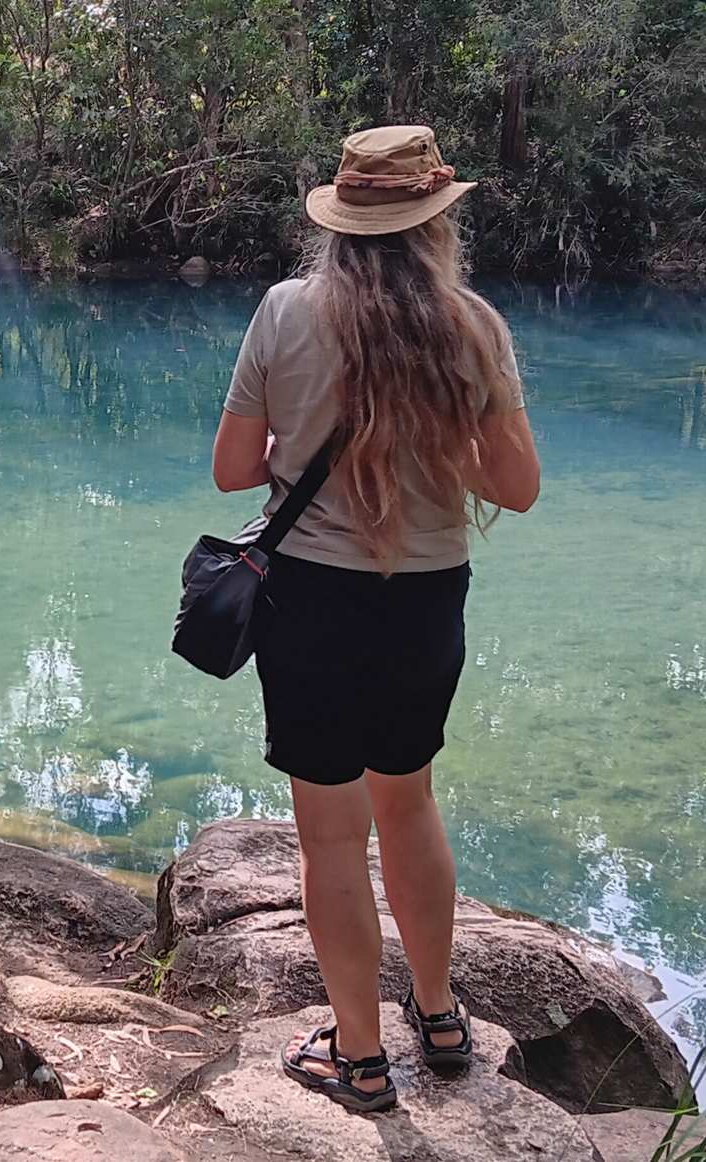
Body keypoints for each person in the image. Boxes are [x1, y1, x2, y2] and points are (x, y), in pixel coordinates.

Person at [209, 125, 541, 1112]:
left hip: (308, 596)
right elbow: (516, 488)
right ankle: (438, 1017)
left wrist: (305, 434)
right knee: (410, 801)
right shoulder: (474, 326)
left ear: (340, 222)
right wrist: (434, 438)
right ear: (434, 222)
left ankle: (358, 1057)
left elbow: (232, 471)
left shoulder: (283, 311)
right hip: (426, 598)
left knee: (329, 837)